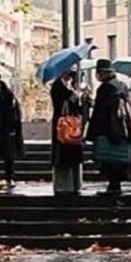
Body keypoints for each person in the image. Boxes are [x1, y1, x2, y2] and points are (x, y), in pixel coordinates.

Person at [86, 59, 131, 195]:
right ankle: (115, 184)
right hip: (121, 128)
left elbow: (99, 112)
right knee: (116, 158)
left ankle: (113, 185)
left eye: (98, 73)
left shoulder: (105, 88)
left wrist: (92, 132)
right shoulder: (121, 86)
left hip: (107, 128)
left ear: (102, 73)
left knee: (108, 158)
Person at [50, 67, 83, 195]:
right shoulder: (58, 86)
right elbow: (61, 103)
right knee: (63, 153)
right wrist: (72, 96)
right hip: (63, 124)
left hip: (70, 124)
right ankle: (64, 186)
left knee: (70, 152)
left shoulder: (69, 86)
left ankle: (73, 184)